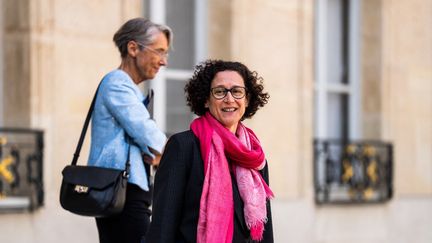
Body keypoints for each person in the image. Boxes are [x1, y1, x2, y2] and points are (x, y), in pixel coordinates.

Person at [145, 60, 274, 243]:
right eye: (220, 92)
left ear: (246, 99)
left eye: (237, 91)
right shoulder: (183, 147)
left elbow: (265, 232)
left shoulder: (255, 156)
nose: (229, 99)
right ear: (206, 100)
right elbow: (163, 225)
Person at [87, 18, 172, 243]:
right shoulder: (116, 82)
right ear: (133, 48)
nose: (164, 61)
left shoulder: (128, 87)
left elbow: (141, 139)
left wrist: (157, 156)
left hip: (127, 190)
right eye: (159, 51)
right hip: (121, 191)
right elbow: (145, 130)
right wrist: (178, 154)